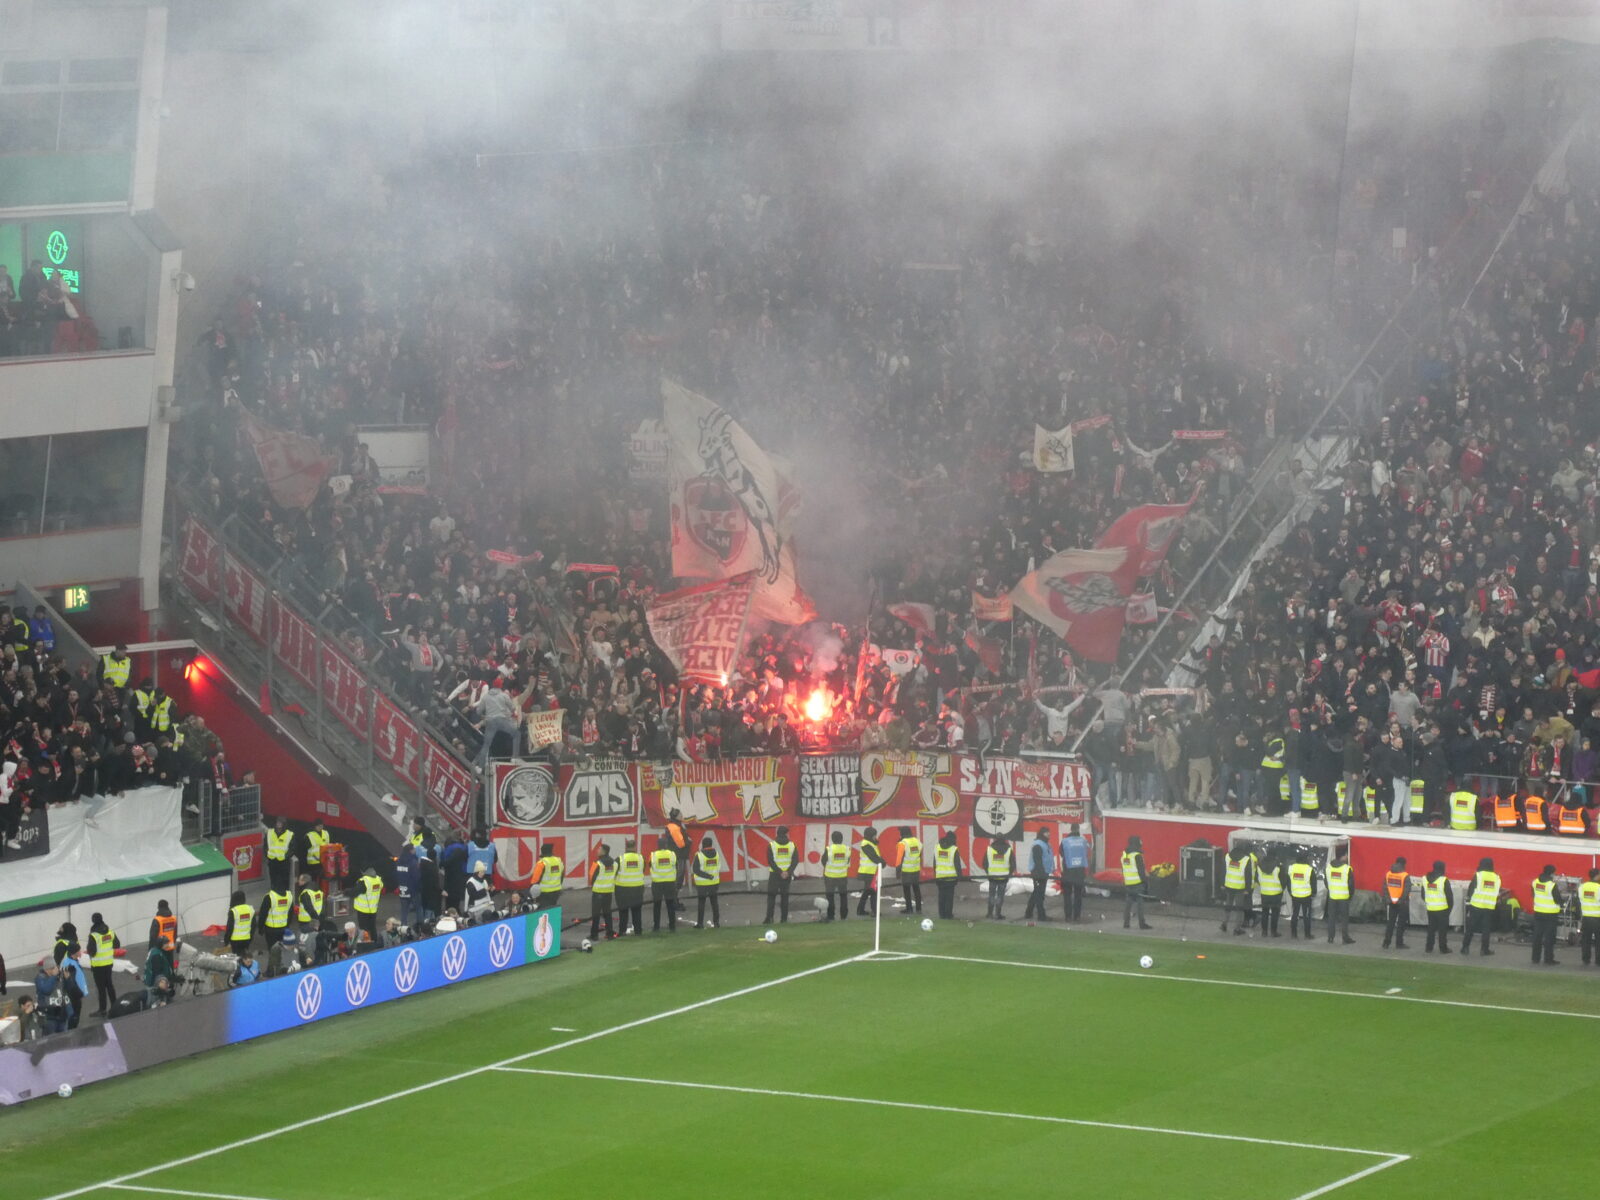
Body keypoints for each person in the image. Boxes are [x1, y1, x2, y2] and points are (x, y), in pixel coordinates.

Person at [1461, 857, 1500, 956]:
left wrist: (1470, 899)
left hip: (1476, 905)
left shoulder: (1478, 875)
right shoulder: (1496, 877)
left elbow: (1471, 889)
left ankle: (1465, 948)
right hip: (1489, 907)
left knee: (1470, 927)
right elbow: (1497, 891)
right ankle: (1484, 950)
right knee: (1486, 929)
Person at [85, 912, 120, 1017]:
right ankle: (115, 1006)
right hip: (109, 963)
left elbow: (92, 952)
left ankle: (102, 1009)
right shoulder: (110, 932)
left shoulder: (94, 935)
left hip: (98, 965)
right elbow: (117, 945)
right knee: (109, 985)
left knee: (101, 988)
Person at [1530, 864, 1565, 966]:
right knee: (1549, 938)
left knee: (1537, 936)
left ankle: (1535, 958)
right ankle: (1548, 959)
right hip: (1550, 914)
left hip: (1538, 912)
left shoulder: (1535, 882)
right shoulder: (1552, 885)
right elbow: (1557, 900)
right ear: (1552, 873)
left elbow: (1533, 894)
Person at [764, 826, 798, 924]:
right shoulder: (792, 845)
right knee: (785, 898)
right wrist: (788, 872)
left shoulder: (771, 845)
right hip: (786, 876)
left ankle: (769, 918)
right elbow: (795, 860)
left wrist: (779, 872)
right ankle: (784, 919)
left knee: (771, 897)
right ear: (786, 834)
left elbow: (770, 861)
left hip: (775, 875)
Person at [615, 840, 647, 935]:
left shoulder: (620, 859)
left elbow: (614, 872)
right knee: (637, 911)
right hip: (637, 889)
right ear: (635, 847)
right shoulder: (641, 858)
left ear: (626, 847)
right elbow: (643, 869)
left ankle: (622, 931)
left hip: (623, 889)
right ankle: (638, 931)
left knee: (623, 912)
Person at [1221, 845, 1254, 935]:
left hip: (1228, 885)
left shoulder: (1227, 856)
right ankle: (1237, 929)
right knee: (1239, 909)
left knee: (1228, 906)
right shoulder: (1246, 859)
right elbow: (1248, 875)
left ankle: (1224, 923)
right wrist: (1248, 888)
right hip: (1240, 887)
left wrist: (1222, 884)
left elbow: (1223, 871)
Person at [1058, 824, 1089, 921]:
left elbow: (1061, 853)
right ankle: (1077, 916)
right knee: (1078, 895)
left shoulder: (1065, 841)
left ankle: (1068, 916)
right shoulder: (1083, 841)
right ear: (1078, 829)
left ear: (1070, 829)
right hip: (1079, 871)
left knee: (1067, 894)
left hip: (1068, 871)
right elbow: (1086, 853)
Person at [1324, 849, 1355, 945]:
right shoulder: (1347, 869)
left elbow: (1326, 881)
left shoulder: (1328, 867)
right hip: (1344, 897)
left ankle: (1330, 937)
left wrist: (1331, 889)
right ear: (1342, 856)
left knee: (1331, 918)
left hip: (1332, 896)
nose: (1347, 857)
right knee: (1344, 918)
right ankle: (1345, 938)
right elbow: (1351, 885)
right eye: (1346, 855)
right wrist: (1350, 896)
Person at [1422, 860, 1453, 954]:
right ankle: (1443, 948)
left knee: (1431, 929)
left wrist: (1430, 902)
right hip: (1442, 909)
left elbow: (1423, 895)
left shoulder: (1424, 878)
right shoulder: (1444, 880)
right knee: (1442, 930)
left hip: (1430, 908)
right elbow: (1449, 897)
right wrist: (1449, 909)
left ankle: (1429, 947)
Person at [1024, 827, 1054, 922]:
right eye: (1046, 832)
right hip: (1039, 872)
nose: (1048, 834)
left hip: (1042, 872)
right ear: (1042, 834)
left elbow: (1047, 858)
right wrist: (1042, 873)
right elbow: (1038, 861)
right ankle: (1041, 915)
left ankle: (1028, 912)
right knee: (1039, 894)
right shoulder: (1038, 845)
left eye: (1048, 832)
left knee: (1037, 892)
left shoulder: (1045, 844)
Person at [1121, 836, 1152, 929]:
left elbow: (1126, 869)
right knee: (1140, 904)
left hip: (1128, 883)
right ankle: (1142, 923)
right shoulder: (1137, 856)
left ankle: (1126, 923)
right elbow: (1141, 871)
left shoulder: (1125, 855)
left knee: (1128, 903)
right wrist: (1145, 882)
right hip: (1137, 883)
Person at [589, 842, 618, 940]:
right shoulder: (615, 863)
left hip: (598, 892)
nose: (597, 850)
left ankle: (594, 935)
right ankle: (609, 933)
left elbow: (591, 877)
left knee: (596, 914)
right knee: (607, 913)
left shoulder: (597, 863)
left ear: (603, 851)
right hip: (608, 891)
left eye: (599, 849)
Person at [692, 835, 722, 929]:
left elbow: (695, 870)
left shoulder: (699, 855)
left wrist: (707, 876)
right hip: (714, 882)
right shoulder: (716, 854)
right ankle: (716, 923)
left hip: (702, 884)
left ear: (703, 844)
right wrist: (711, 876)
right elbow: (718, 867)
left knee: (701, 904)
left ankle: (700, 923)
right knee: (714, 903)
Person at [1381, 856, 1410, 950]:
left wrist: (1388, 899)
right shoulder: (1405, 875)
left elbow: (1385, 888)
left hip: (1391, 902)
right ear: (1404, 864)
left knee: (1390, 923)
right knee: (1401, 924)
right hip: (1402, 903)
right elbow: (1406, 890)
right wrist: (1400, 900)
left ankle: (1386, 943)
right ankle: (1399, 943)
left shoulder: (1388, 874)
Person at [650, 838, 679, 932]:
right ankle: (672, 926)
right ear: (666, 844)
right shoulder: (672, 854)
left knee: (657, 905)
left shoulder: (653, 855)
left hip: (657, 883)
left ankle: (656, 927)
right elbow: (676, 866)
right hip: (670, 882)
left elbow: (650, 866)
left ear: (658, 845)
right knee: (670, 904)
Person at [933, 830, 963, 919]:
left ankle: (941, 914)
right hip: (950, 878)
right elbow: (957, 864)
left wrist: (935, 873)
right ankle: (948, 914)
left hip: (939, 876)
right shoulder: (953, 849)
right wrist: (959, 876)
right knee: (949, 897)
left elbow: (935, 862)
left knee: (941, 896)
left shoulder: (937, 847)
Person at [894, 826, 924, 915]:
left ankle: (909, 908)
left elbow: (899, 859)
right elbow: (920, 855)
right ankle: (918, 909)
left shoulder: (902, 843)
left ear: (902, 833)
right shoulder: (917, 841)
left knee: (907, 890)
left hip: (906, 870)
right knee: (916, 889)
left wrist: (897, 872)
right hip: (915, 869)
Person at [34, 961, 70, 1035]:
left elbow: (69, 990)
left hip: (61, 1013)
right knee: (51, 1039)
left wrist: (67, 979)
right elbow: (46, 990)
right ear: (48, 969)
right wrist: (54, 977)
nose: (56, 969)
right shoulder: (40, 978)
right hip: (49, 1015)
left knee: (65, 1038)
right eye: (53, 968)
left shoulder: (59, 976)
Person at [1287, 851, 1316, 939]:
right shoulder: (1309, 869)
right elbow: (1313, 883)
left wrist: (1291, 892)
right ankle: (1307, 934)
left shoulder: (1291, 868)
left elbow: (1288, 882)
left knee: (1294, 915)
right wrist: (1313, 893)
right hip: (1306, 896)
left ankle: (1293, 934)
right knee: (1306, 916)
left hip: (1295, 895)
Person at [822, 830, 850, 921]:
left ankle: (831, 915)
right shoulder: (847, 849)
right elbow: (848, 861)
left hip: (830, 876)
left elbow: (823, 861)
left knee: (830, 897)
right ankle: (844, 915)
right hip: (842, 875)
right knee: (843, 896)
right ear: (842, 839)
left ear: (832, 839)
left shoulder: (829, 849)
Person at [855, 827, 882, 916]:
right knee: (873, 891)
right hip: (868, 872)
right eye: (874, 835)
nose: (875, 836)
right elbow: (873, 857)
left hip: (870, 871)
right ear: (871, 835)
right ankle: (874, 911)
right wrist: (883, 862)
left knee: (868, 891)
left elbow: (874, 856)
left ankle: (861, 910)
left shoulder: (869, 843)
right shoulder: (866, 844)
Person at [353, 864, 384, 942]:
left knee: (364, 929)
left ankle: (366, 945)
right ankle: (375, 942)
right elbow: (380, 887)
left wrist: (345, 892)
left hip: (363, 910)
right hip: (373, 909)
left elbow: (355, 892)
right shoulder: (378, 879)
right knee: (372, 927)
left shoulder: (364, 881)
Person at [1256, 854, 1284, 937]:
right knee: (1275, 914)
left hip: (1264, 892)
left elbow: (1256, 877)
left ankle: (1264, 932)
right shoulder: (1278, 867)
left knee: (1264, 913)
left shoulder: (1259, 866)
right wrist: (1281, 888)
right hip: (1276, 893)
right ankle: (1273, 932)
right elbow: (1283, 879)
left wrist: (1262, 884)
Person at [263, 815, 293, 892]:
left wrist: (286, 856)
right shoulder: (269, 833)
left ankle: (285, 895)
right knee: (273, 881)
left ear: (284, 824)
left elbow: (292, 849)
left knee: (285, 881)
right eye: (278, 822)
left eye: (281, 823)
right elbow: (265, 846)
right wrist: (267, 855)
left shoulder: (289, 834)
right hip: (272, 861)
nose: (279, 824)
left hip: (284, 862)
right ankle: (274, 894)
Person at [986, 836, 1013, 920]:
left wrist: (989, 872)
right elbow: (1013, 864)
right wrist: (1009, 874)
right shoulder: (1009, 850)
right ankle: (998, 914)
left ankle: (990, 913)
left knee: (991, 895)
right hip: (1004, 877)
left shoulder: (990, 849)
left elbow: (984, 863)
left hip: (992, 876)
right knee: (1000, 896)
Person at [531, 844, 565, 910]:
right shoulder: (558, 861)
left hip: (544, 892)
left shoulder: (542, 863)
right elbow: (562, 875)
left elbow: (535, 880)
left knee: (544, 910)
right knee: (552, 907)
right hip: (556, 890)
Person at [258, 886, 293, 951]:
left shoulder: (269, 897)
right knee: (282, 949)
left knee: (272, 950)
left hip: (271, 929)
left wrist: (260, 928)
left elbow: (263, 914)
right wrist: (288, 925)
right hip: (284, 927)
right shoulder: (289, 896)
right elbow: (291, 912)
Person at [1579, 868, 1600, 967]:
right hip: (1597, 917)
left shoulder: (1582, 887)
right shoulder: (1598, 887)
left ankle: (1586, 959)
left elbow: (1580, 900)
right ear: (1597, 875)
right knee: (1598, 940)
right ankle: (1598, 960)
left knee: (1586, 940)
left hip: (1586, 917)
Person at [295, 873, 326, 939]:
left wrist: (315, 922)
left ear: (304, 881)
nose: (298, 881)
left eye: (300, 880)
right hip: (318, 919)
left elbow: (309, 908)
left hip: (307, 922)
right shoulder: (318, 890)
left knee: (306, 940)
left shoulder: (306, 893)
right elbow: (323, 905)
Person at [224, 889, 255, 954]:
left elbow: (229, 928)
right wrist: (251, 937)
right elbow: (253, 925)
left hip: (235, 940)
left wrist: (226, 940)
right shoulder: (250, 909)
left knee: (237, 958)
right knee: (244, 957)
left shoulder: (234, 911)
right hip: (247, 939)